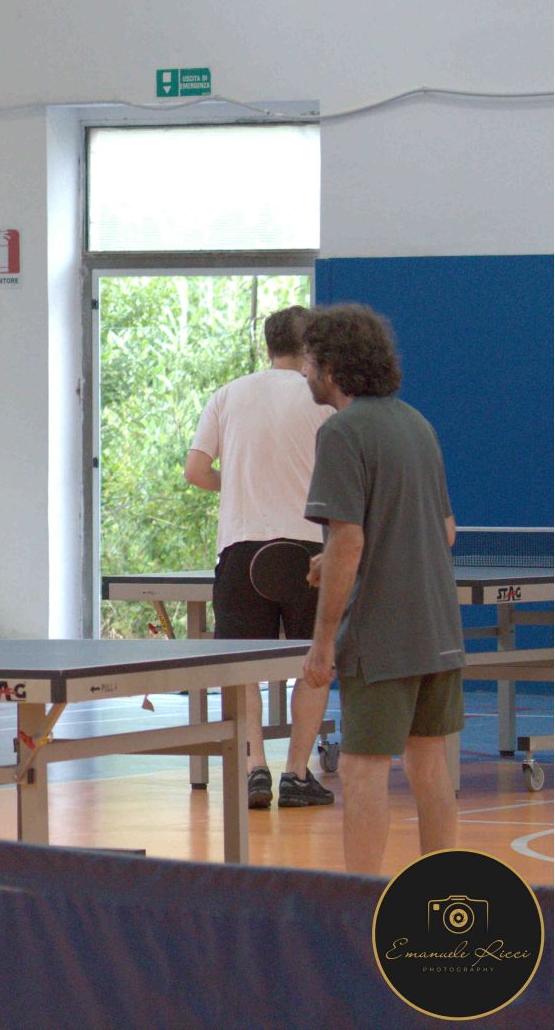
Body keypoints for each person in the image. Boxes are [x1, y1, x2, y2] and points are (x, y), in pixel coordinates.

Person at [298, 304, 463, 875]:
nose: (304, 373)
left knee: (362, 768)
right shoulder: (417, 424)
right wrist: (335, 556)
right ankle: (441, 898)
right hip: (438, 628)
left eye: (309, 362)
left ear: (331, 368)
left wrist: (323, 643)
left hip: (380, 635)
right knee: (429, 764)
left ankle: (362, 905)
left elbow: (349, 540)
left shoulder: (341, 432)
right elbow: (443, 531)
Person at [184, 305, 335, 810]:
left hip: (241, 549)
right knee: (314, 663)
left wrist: (239, 485)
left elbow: (195, 471)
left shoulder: (228, 395)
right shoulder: (323, 398)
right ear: (309, 347)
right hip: (309, 551)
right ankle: (297, 774)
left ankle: (254, 769)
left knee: (241, 667)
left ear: (268, 346)